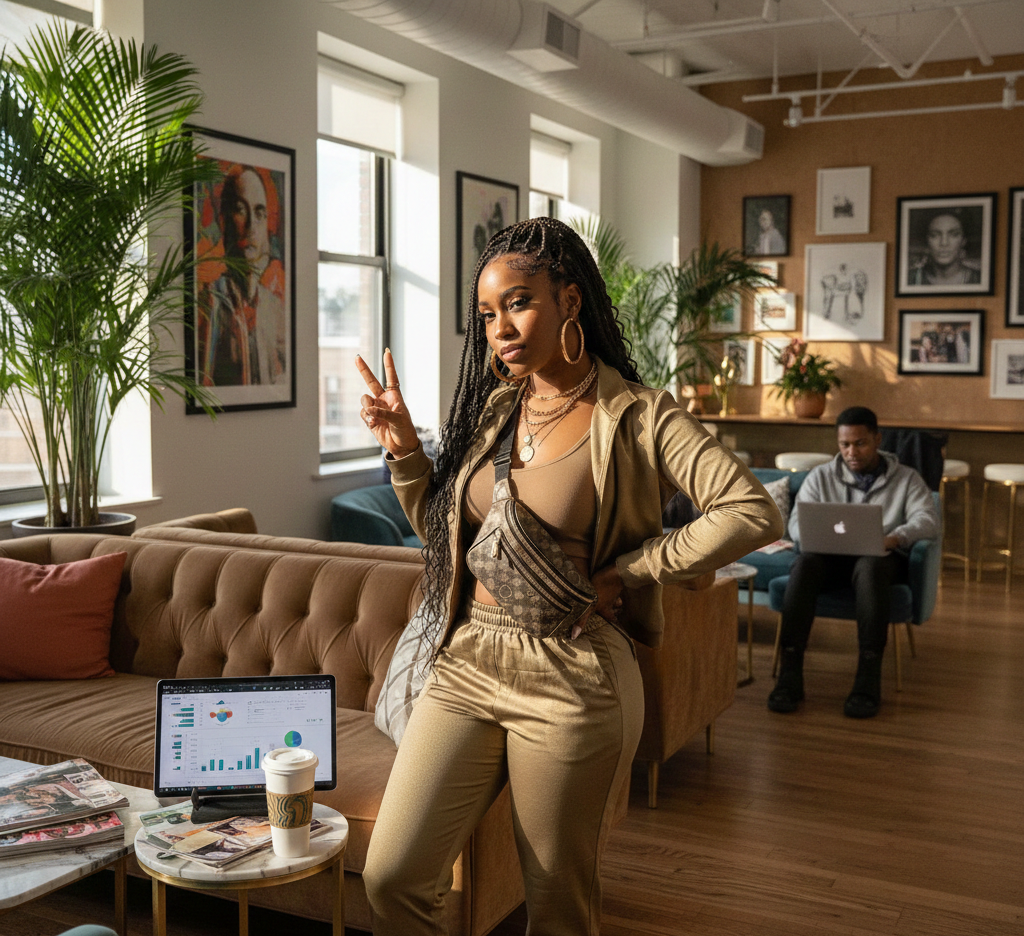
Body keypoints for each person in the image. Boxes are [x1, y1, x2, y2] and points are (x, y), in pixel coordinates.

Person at [355, 217, 782, 936]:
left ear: (570, 301)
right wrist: (403, 451)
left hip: (572, 673)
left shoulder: (639, 415)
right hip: (466, 661)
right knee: (392, 876)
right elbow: (447, 535)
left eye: (518, 303)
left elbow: (751, 510)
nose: (500, 327)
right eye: (487, 314)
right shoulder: (495, 408)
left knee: (556, 908)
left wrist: (637, 567)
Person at [767, 406, 940, 720]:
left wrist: (895, 537)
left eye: (860, 443)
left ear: (877, 439)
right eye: (844, 444)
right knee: (804, 565)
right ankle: (790, 676)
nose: (851, 452)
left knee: (870, 567)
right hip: (831, 559)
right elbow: (795, 524)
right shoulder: (820, 476)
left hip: (881, 559)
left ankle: (867, 680)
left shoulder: (906, 478)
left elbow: (928, 521)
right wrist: (814, 537)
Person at [201, 165, 287, 386]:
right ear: (224, 221)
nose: (251, 226)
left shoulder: (274, 308)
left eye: (259, 213)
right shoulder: (209, 302)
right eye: (240, 209)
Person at [908, 211, 981, 286]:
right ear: (926, 241)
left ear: (963, 240)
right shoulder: (908, 279)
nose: (944, 243)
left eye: (954, 235)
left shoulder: (980, 279)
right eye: (934, 235)